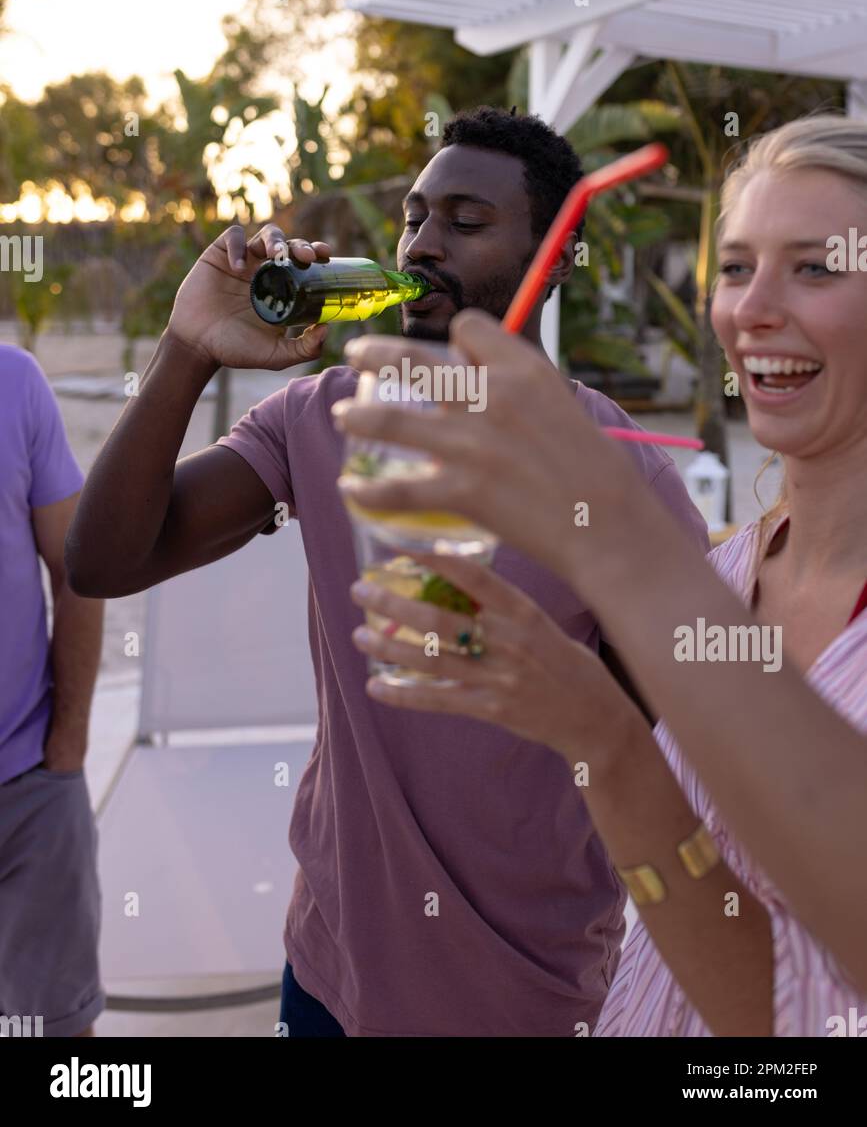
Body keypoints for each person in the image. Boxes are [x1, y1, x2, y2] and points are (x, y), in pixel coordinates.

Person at [66, 106, 707, 1038]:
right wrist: (189, 348)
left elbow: (672, 740)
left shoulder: (619, 469)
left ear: (556, 254)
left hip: (523, 988)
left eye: (467, 222)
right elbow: (106, 559)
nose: (425, 244)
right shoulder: (322, 416)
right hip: (329, 972)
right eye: (414, 217)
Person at [335, 115, 867, 1036]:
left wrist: (615, 559)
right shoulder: (728, 571)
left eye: (815, 266)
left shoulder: (672, 573)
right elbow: (722, 931)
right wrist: (583, 719)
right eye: (736, 267)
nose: (750, 309)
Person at [0, 343, 105, 1038]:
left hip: (28, 786)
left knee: (57, 1044)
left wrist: (65, 747)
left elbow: (77, 566)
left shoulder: (14, 381)